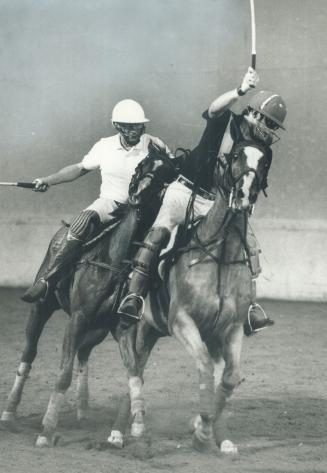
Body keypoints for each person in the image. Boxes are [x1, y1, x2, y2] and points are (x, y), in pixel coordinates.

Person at [118, 67, 287, 335]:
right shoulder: (226, 122)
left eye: (274, 126)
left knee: (249, 245)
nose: (270, 130)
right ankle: (134, 297)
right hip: (184, 191)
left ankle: (251, 307)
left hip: (217, 204)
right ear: (253, 114)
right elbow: (214, 108)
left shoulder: (262, 150)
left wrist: (244, 208)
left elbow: (253, 186)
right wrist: (240, 90)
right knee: (158, 234)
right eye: (268, 122)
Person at [22, 99, 174, 303]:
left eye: (137, 125)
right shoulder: (105, 146)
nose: (133, 130)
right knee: (82, 221)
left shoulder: (155, 144)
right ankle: (48, 279)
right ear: (117, 126)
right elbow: (79, 168)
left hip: (145, 208)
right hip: (110, 203)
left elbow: (172, 171)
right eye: (128, 126)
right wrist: (46, 180)